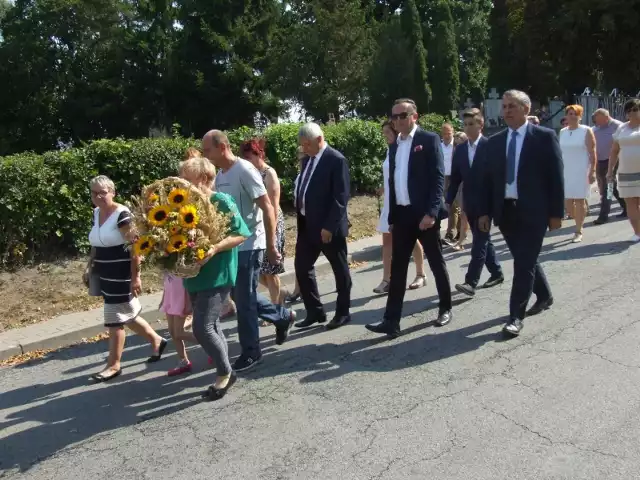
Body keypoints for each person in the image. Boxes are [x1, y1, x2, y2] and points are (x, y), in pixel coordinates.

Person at [203, 130, 296, 372]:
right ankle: (282, 316)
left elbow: (267, 208)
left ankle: (252, 352)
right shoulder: (221, 174)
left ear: (222, 147)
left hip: (251, 244)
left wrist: (272, 245)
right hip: (233, 245)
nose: (205, 154)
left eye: (207, 150)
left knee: (243, 300)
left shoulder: (244, 170)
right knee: (241, 296)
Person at [478, 90, 564, 337]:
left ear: (526, 109)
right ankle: (545, 295)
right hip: (505, 211)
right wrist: (484, 212)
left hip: (534, 211)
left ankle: (515, 316)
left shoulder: (544, 137)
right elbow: (488, 181)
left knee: (522, 262)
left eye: (511, 106)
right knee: (525, 258)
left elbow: (555, 177)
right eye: (504, 107)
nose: (506, 111)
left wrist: (556, 213)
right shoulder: (494, 141)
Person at [366, 98, 453, 338]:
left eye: (402, 115)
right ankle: (391, 320)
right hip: (402, 216)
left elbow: (437, 180)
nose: (397, 120)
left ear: (414, 116)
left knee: (435, 261)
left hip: (424, 215)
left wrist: (432, 213)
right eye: (394, 117)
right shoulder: (395, 146)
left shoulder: (428, 140)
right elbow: (394, 182)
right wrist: (392, 216)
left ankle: (445, 307)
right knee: (398, 267)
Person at [180, 157, 251, 400]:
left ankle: (225, 373)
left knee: (202, 328)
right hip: (194, 275)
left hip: (218, 273)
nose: (181, 185)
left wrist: (215, 247)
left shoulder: (221, 200)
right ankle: (225, 367)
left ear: (203, 179)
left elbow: (241, 234)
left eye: (186, 180)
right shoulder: (185, 207)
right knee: (212, 326)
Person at [85, 175, 167, 382]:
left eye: (103, 192)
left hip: (121, 274)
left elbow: (136, 247)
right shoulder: (96, 213)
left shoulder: (122, 215)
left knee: (114, 321)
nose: (99, 196)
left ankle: (113, 365)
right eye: (94, 193)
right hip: (104, 273)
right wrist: (89, 267)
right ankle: (157, 340)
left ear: (113, 192)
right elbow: (96, 244)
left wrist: (135, 277)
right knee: (126, 314)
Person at [292, 123, 352, 330]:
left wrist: (329, 226)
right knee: (301, 267)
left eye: (307, 145)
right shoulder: (307, 160)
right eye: (302, 145)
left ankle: (343, 312)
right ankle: (315, 311)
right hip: (307, 225)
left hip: (328, 228)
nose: (304, 149)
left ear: (319, 139)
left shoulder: (336, 160)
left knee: (340, 269)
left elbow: (341, 197)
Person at [447, 108, 504, 297]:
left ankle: (471, 281)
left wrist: (490, 210)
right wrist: (448, 200)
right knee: (484, 240)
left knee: (479, 242)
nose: (468, 128)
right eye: (465, 124)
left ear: (481, 125)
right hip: (469, 204)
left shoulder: (490, 146)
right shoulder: (461, 149)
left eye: (472, 124)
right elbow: (455, 178)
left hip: (486, 206)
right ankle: (496, 272)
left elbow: (496, 180)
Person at [374, 120, 426, 294]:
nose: (385, 136)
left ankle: (420, 274)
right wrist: (383, 188)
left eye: (388, 133)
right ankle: (386, 279)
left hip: (402, 203)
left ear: (395, 132)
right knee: (386, 241)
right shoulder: (390, 150)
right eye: (384, 134)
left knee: (412, 240)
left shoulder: (403, 148)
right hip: (389, 202)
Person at [240, 138, 286, 305]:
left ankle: (276, 308)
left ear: (258, 155)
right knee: (259, 271)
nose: (247, 162)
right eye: (244, 158)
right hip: (256, 225)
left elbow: (272, 206)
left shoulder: (269, 173)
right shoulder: (248, 173)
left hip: (271, 223)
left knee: (270, 271)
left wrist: (271, 236)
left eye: (249, 157)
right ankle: (280, 293)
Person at [559, 104, 597, 242]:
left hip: (581, 169)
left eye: (575, 114)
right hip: (566, 170)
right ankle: (578, 220)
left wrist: (592, 170)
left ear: (580, 116)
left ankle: (578, 230)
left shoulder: (586, 131)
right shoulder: (563, 131)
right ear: (566, 116)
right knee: (568, 204)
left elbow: (592, 152)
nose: (572, 116)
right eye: (570, 113)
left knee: (580, 200)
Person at [607, 98, 640, 243]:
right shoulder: (621, 128)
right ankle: (638, 233)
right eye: (629, 110)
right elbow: (614, 151)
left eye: (635, 109)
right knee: (630, 203)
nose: (632, 112)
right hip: (626, 171)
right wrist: (610, 171)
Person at [592, 108, 625, 223]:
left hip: (613, 160)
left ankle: (603, 215)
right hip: (600, 161)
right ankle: (626, 206)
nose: (597, 124)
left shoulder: (618, 126)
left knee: (608, 187)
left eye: (599, 121)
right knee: (612, 187)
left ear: (606, 118)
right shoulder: (595, 128)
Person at [441, 123, 460, 243]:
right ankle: (460, 232)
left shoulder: (457, 145)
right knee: (450, 206)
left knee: (454, 206)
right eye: (445, 133)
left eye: (449, 133)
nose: (447, 136)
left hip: (456, 177)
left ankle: (450, 233)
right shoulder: (439, 146)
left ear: (452, 132)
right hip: (444, 177)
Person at [451, 131, 469, 251]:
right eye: (456, 144)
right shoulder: (456, 152)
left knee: (465, 214)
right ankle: (462, 237)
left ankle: (461, 239)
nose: (457, 146)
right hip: (460, 185)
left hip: (471, 185)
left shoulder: (471, 151)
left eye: (460, 143)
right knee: (464, 214)